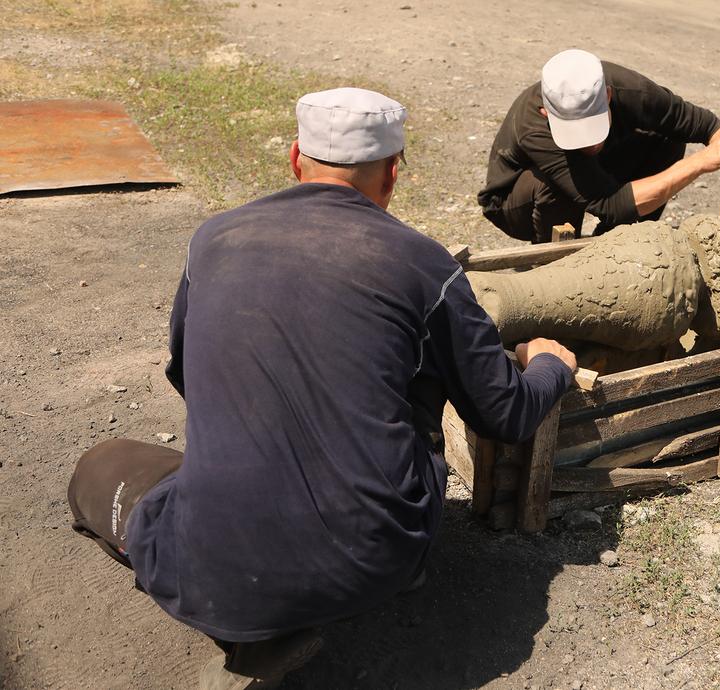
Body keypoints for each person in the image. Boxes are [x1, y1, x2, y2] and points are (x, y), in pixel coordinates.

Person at [67, 87, 577, 689]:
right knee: (413, 383)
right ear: (391, 175)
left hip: (210, 565)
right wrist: (550, 365)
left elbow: (186, 374)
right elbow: (504, 415)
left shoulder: (211, 241)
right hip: (379, 553)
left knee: (96, 470)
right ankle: (349, 577)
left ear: (293, 158)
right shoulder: (424, 267)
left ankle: (249, 620)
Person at [478, 48, 720, 244]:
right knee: (553, 186)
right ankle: (557, 265)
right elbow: (609, 202)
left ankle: (619, 244)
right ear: (548, 114)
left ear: (610, 96)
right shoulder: (536, 128)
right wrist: (696, 164)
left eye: (593, 129)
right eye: (576, 134)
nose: (589, 143)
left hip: (594, 177)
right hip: (513, 204)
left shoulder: (633, 91)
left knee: (668, 137)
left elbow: (709, 127)